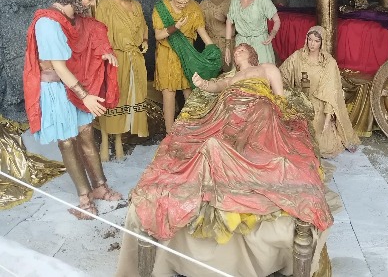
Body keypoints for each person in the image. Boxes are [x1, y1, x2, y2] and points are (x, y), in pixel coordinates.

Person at [116, 43, 334, 277]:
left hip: (259, 105)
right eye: (236, 50)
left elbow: (279, 97)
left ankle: (247, 161)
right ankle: (226, 158)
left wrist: (284, 116)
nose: (238, 52)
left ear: (252, 54)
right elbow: (215, 87)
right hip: (228, 107)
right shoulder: (231, 78)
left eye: (242, 49)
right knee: (217, 135)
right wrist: (202, 84)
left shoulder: (266, 68)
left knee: (263, 114)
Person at [23, 0, 122, 219]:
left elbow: (93, 32)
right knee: (67, 142)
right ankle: (84, 197)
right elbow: (58, 67)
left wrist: (104, 51)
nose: (92, 4)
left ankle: (99, 186)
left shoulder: (74, 19)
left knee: (86, 133)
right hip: (57, 89)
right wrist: (85, 96)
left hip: (75, 83)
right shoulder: (48, 23)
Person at [280, 25, 360, 158]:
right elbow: (282, 74)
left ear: (322, 42)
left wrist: (327, 116)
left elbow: (331, 91)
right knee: (292, 142)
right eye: (310, 39)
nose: (312, 44)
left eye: (316, 41)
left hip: (319, 105)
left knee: (323, 147)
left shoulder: (328, 63)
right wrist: (291, 95)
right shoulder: (297, 56)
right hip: (300, 102)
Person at [95, 0, 149, 161]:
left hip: (134, 59)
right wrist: (106, 55)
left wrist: (145, 40)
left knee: (128, 98)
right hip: (114, 59)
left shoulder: (137, 5)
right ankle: (104, 140)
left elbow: (144, 26)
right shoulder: (105, 6)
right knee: (112, 99)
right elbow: (99, 33)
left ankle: (119, 141)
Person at [153, 0, 219, 133]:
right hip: (166, 54)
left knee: (189, 90)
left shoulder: (194, 8)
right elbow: (158, 35)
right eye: (179, 2)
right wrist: (175, 27)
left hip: (188, 54)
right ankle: (169, 133)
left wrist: (213, 50)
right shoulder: (161, 8)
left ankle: (192, 130)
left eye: (186, 1)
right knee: (169, 93)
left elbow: (202, 32)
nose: (183, 5)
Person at [225, 0, 280, 66]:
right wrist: (227, 48)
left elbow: (277, 20)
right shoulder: (235, 1)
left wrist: (272, 35)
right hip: (242, 43)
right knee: (243, 72)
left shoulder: (262, 0)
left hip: (260, 42)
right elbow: (229, 22)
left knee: (262, 71)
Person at [199, 0, 234, 71]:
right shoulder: (204, 3)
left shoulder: (232, 1)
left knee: (229, 74)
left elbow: (242, 22)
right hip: (211, 44)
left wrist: (225, 19)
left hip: (229, 45)